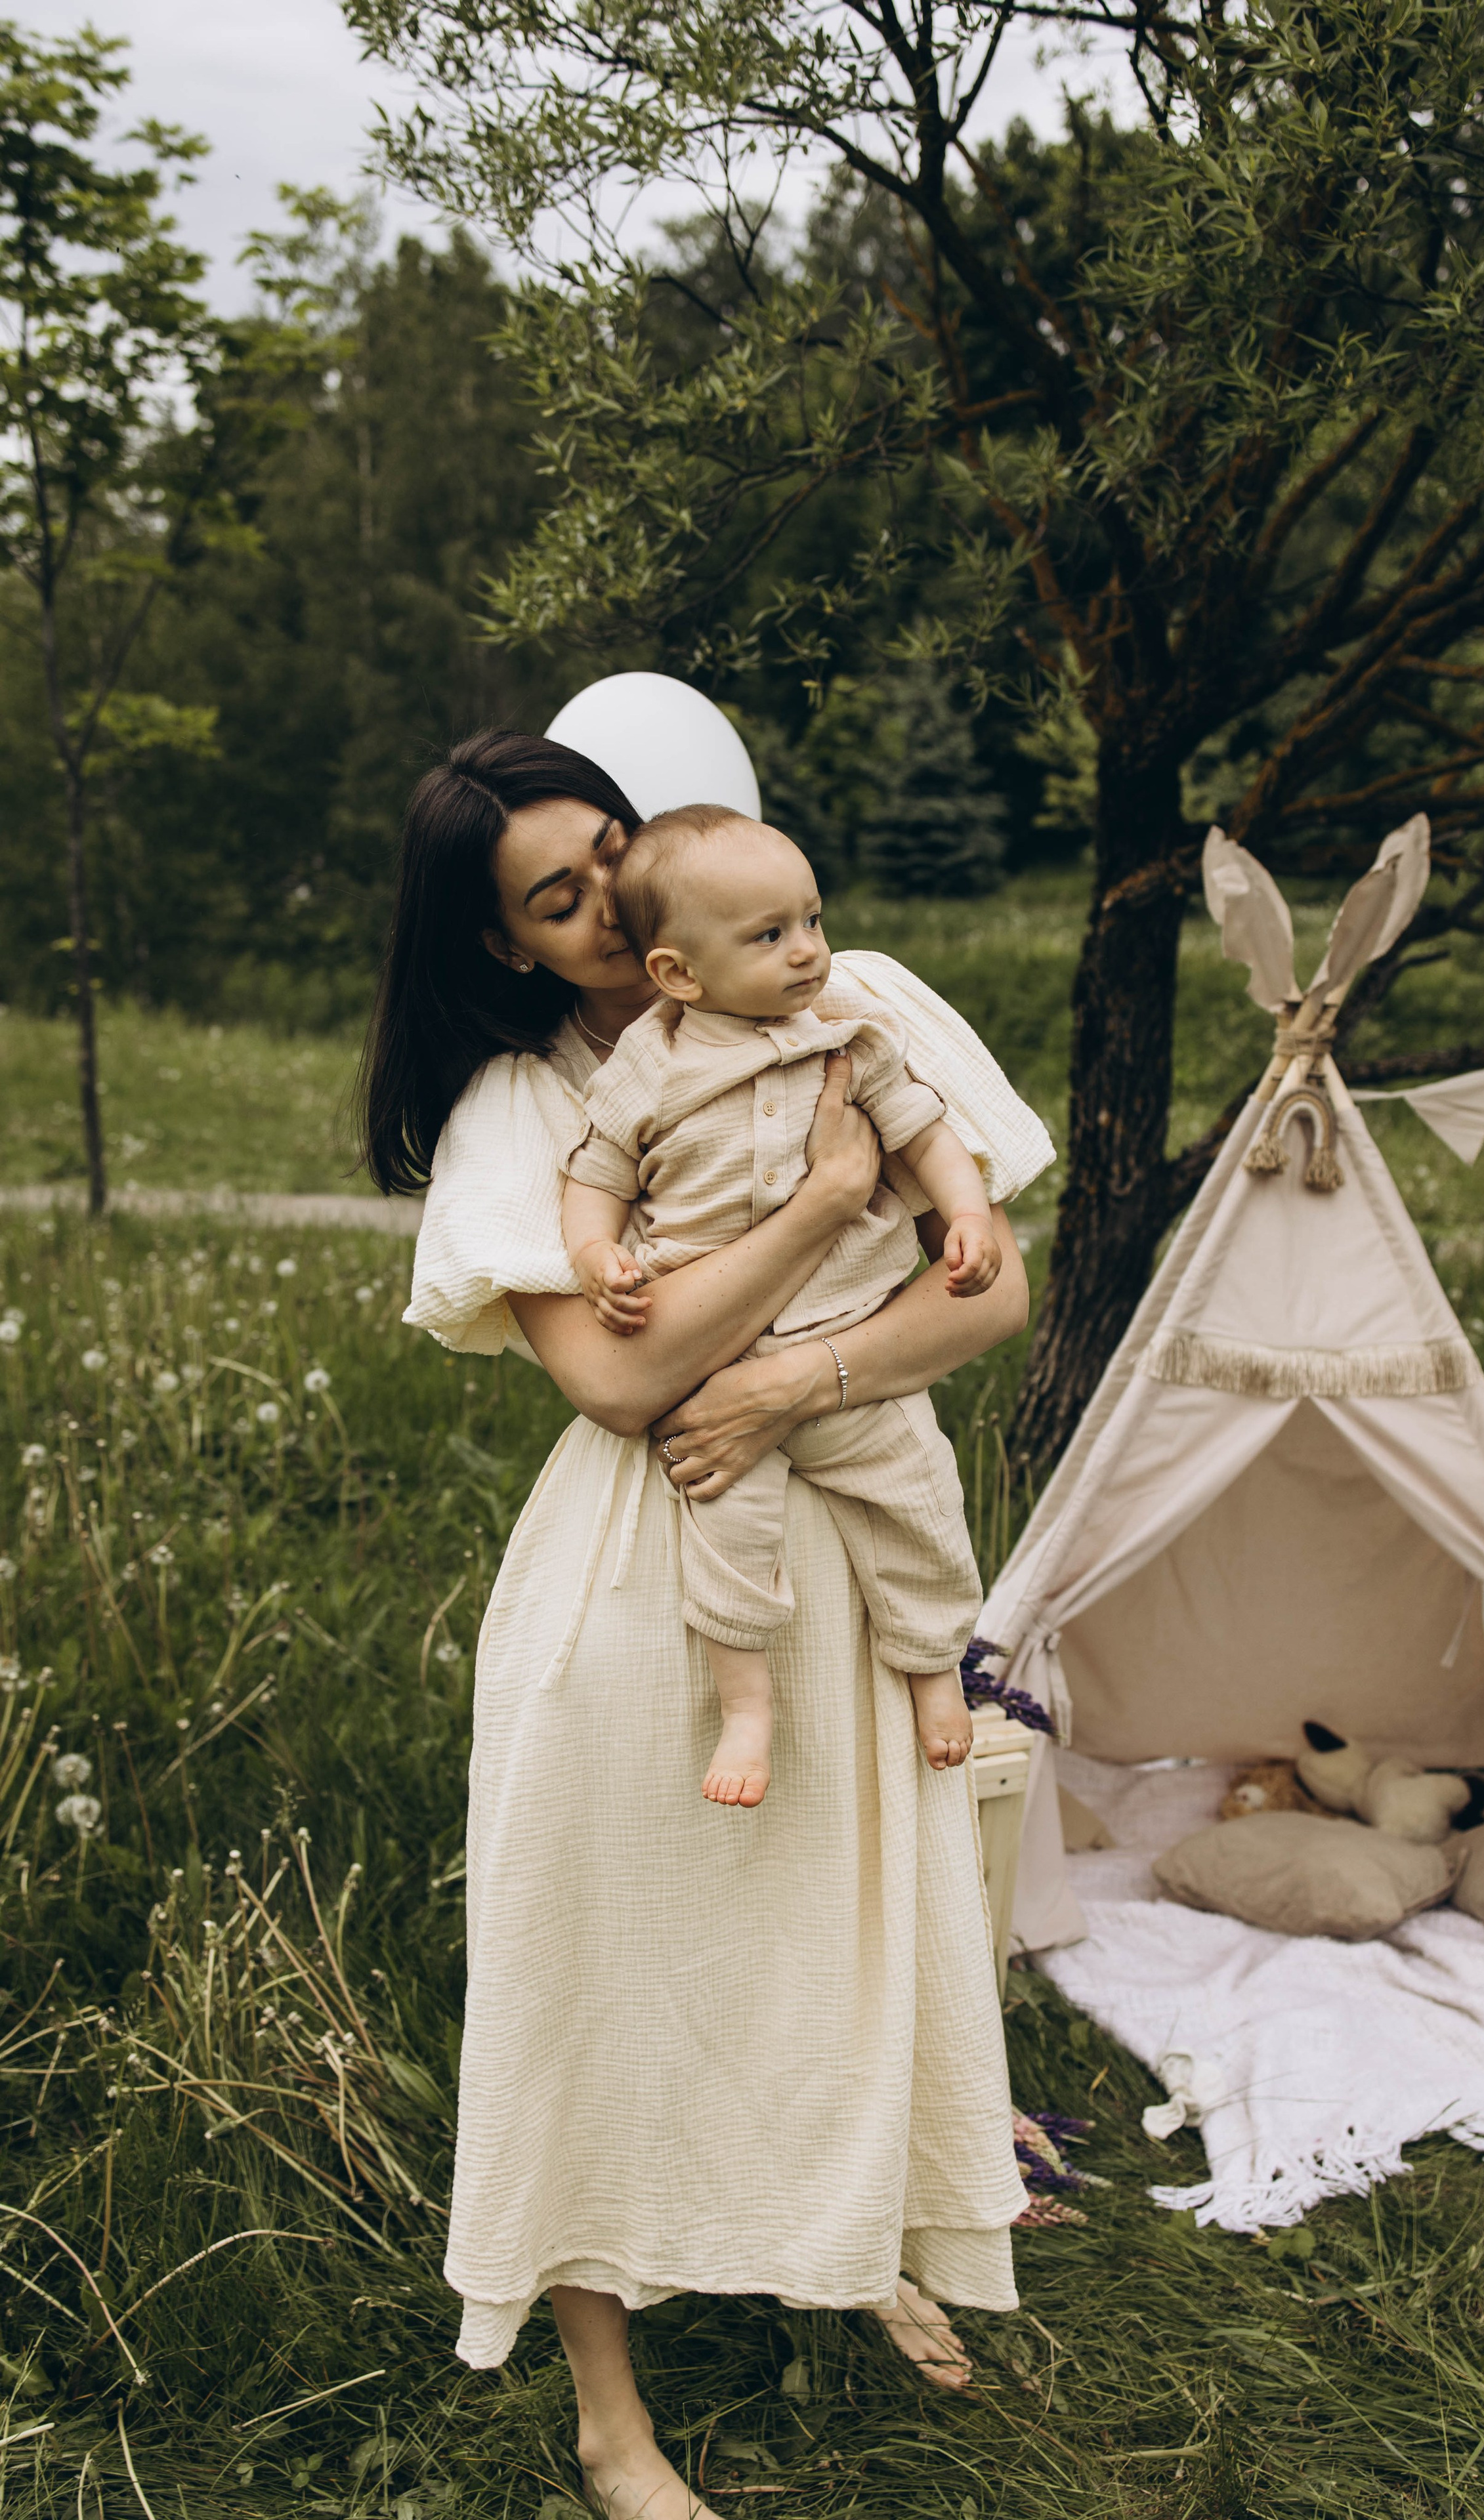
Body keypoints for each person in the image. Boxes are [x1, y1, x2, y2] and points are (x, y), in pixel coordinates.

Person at [362, 728, 1054, 2520]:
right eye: (553, 898)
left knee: (847, 1926)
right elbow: (621, 1380)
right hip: (643, 1561)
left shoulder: (850, 996)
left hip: (829, 1527)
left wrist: (791, 1376)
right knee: (597, 1962)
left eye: (609, 852)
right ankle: (611, 2418)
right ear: (507, 941)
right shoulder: (525, 1110)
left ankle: (860, 2240)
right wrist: (829, 1209)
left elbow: (992, 1301)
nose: (601, 906)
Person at [562, 802, 1000, 1808]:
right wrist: (596, 1255)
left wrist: (967, 1215)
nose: (808, 952)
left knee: (921, 1505)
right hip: (712, 1372)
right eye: (770, 936)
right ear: (677, 973)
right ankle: (747, 1708)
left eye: (812, 919)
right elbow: (598, 1174)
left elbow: (928, 1138)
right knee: (725, 1539)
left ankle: (935, 1669)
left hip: (851, 1350)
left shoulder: (848, 1038)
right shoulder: (649, 1066)